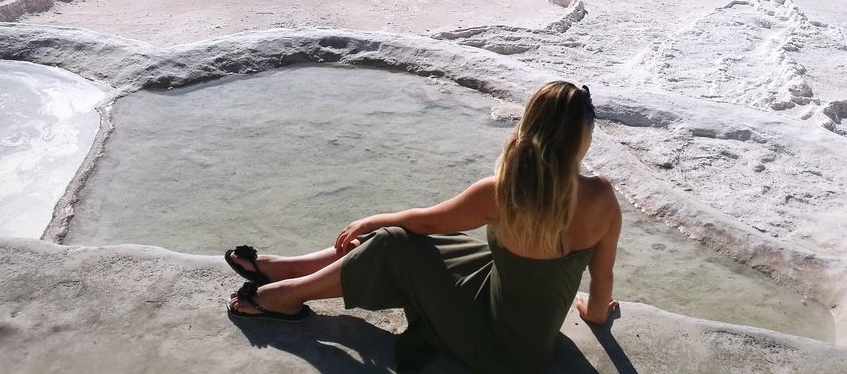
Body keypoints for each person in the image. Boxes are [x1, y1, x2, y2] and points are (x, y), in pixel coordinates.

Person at [225, 80, 622, 373]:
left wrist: (373, 219)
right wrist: (596, 314)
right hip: (525, 339)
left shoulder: (505, 192)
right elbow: (602, 277)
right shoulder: (604, 197)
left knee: (397, 240)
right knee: (416, 242)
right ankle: (290, 269)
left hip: (495, 344)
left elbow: (427, 220)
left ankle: (286, 295)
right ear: (581, 137)